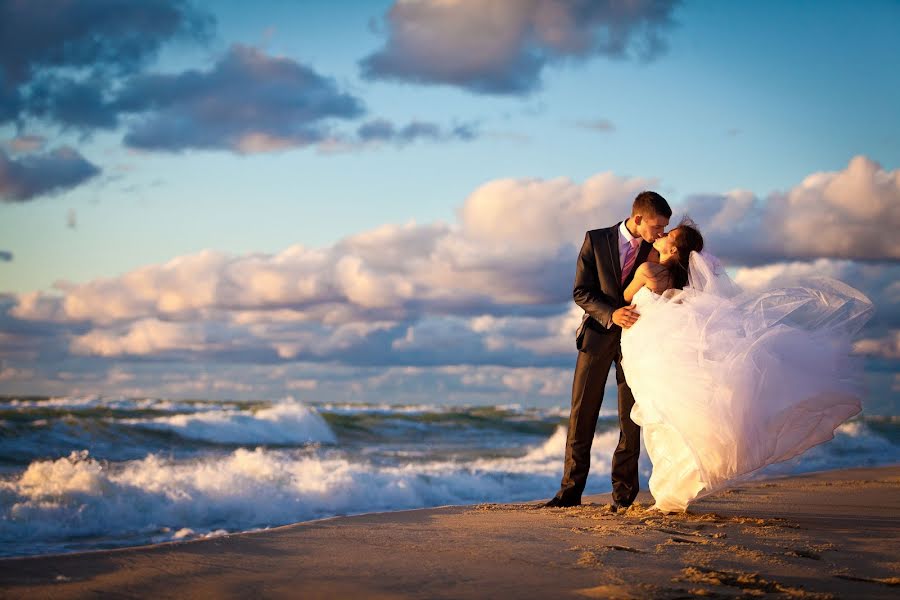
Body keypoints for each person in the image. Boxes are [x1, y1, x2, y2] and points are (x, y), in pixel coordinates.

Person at [620, 218, 874, 512]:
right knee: (679, 419)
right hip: (668, 350)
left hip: (650, 351)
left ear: (674, 248)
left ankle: (669, 492)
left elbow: (625, 298)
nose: (662, 235)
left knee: (664, 419)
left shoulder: (649, 270)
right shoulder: (687, 283)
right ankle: (676, 489)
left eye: (669, 234)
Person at [544, 191, 672, 510]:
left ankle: (624, 495)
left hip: (637, 342)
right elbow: (581, 291)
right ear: (638, 218)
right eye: (657, 226)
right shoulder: (596, 239)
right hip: (597, 336)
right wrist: (611, 313)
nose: (661, 233)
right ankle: (570, 492)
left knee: (631, 418)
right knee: (582, 413)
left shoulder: (656, 249)